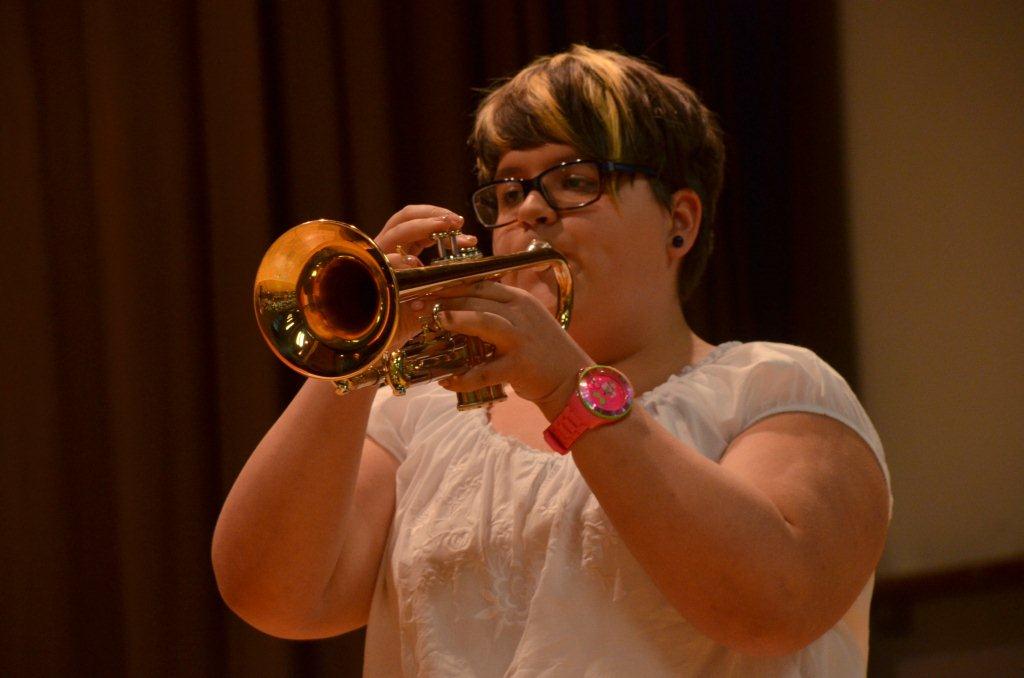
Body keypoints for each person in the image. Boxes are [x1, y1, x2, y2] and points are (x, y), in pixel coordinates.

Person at [212, 45, 891, 676]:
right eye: (509, 192)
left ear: (679, 221)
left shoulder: (776, 389)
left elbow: (773, 607)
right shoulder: (416, 414)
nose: (531, 209)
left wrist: (568, 385)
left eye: (575, 180)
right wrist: (362, 355)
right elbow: (272, 596)